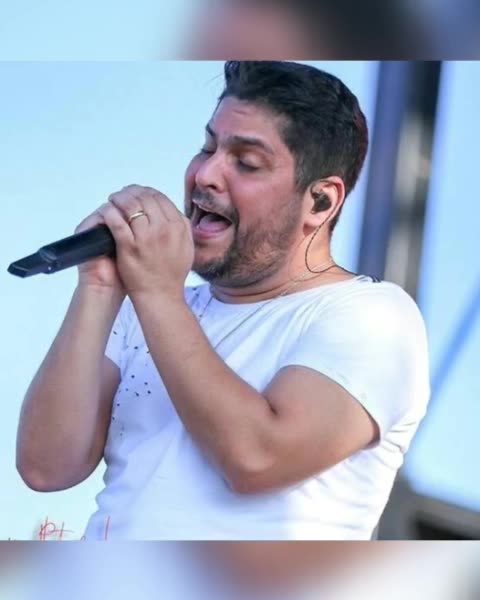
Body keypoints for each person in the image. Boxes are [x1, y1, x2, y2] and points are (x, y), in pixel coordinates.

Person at [16, 61, 430, 540]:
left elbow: (258, 458)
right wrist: (99, 287)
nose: (206, 174)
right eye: (208, 147)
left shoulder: (372, 315)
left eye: (246, 162)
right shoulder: (150, 307)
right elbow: (46, 467)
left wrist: (155, 291)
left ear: (320, 201)